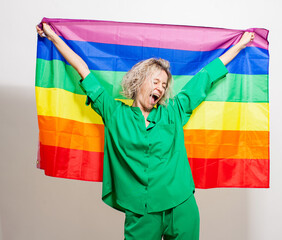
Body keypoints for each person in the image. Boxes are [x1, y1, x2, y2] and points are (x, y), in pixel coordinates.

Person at [36, 22, 254, 240]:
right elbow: (83, 70)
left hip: (180, 204)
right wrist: (53, 37)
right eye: (155, 81)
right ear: (140, 81)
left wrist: (240, 45)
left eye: (164, 84)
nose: (159, 88)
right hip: (141, 210)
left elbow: (204, 78)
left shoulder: (174, 111)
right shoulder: (114, 113)